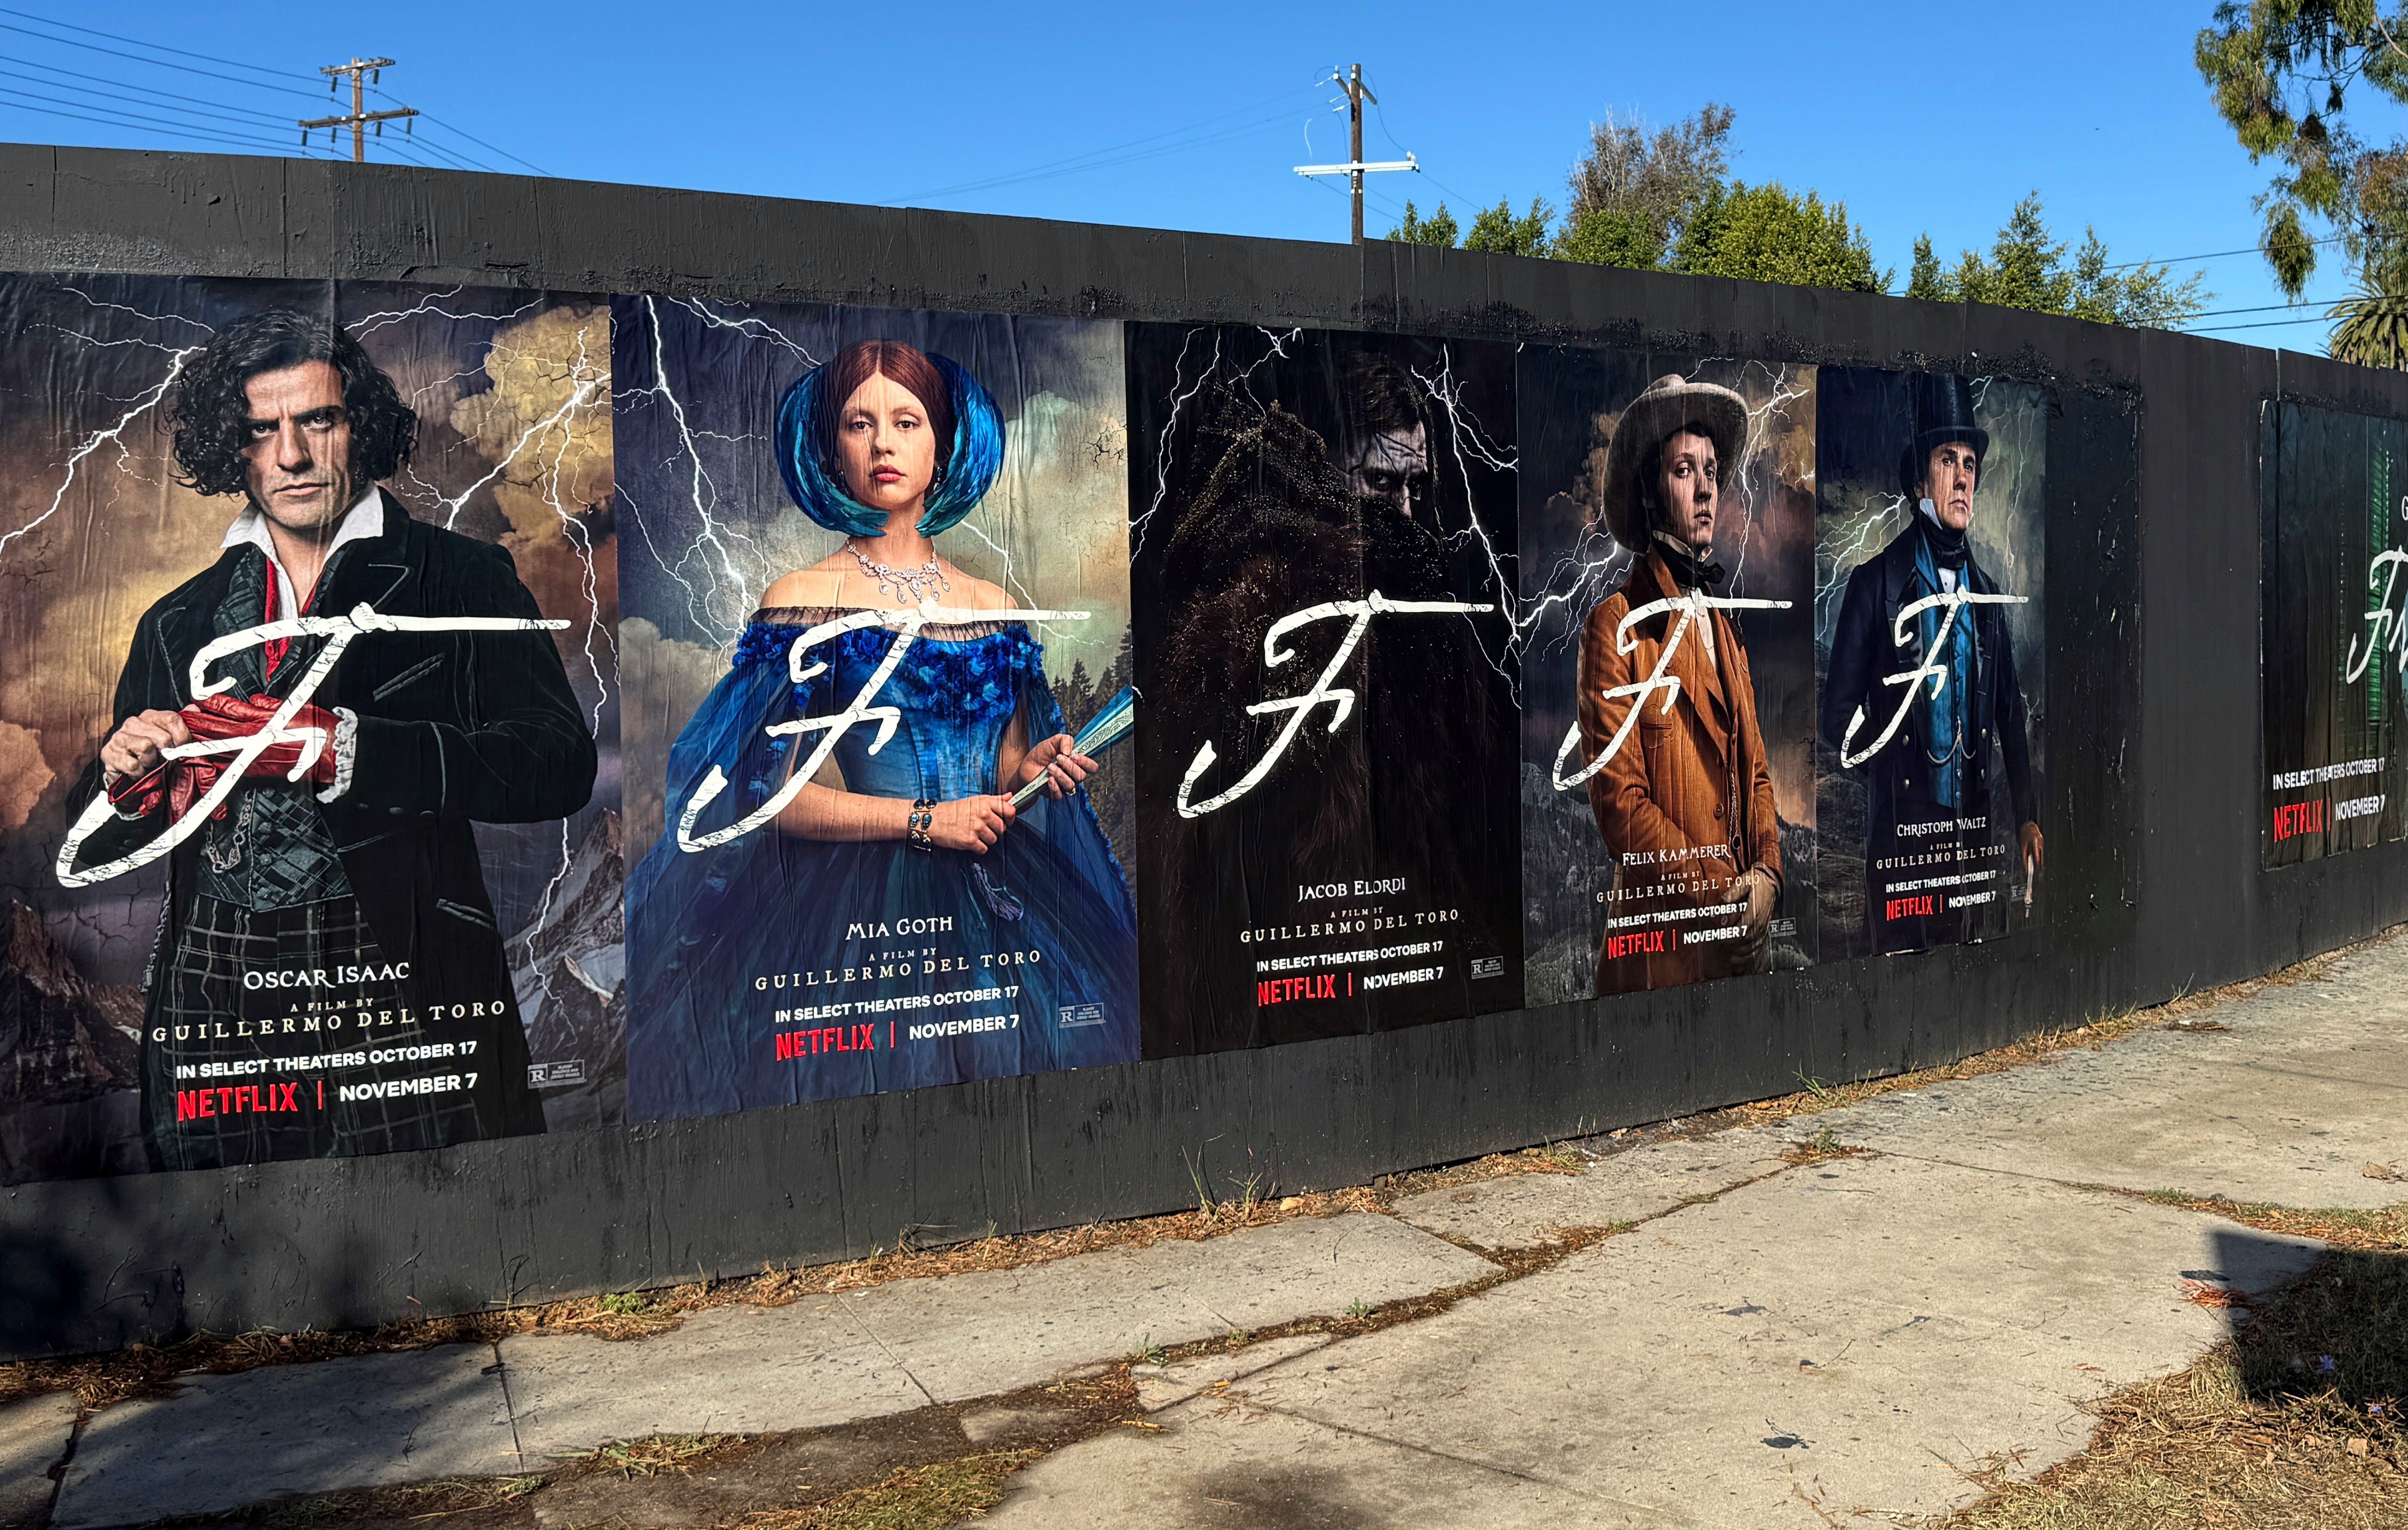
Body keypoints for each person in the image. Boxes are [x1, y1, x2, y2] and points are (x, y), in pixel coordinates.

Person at [77, 305, 592, 1169]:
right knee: (224, 1224)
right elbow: (99, 821)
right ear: (232, 446)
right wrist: (127, 782)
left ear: (361, 426)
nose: (291, 455)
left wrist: (344, 747)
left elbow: (560, 763)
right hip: (215, 986)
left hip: (401, 971)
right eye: (260, 429)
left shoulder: (460, 577)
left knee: (434, 1208)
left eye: (317, 419)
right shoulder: (178, 620)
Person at [626, 338, 1137, 1118]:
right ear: (832, 450)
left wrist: (1033, 767)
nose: (883, 445)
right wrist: (926, 820)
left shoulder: (994, 604)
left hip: (1005, 887)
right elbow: (770, 799)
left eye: (907, 422)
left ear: (943, 446)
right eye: (859, 424)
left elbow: (1004, 767)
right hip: (861, 902)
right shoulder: (804, 598)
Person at [1137, 340, 1519, 1050]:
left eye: (1416, 489)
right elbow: (1197, 858)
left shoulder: (1423, 605)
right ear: (1323, 468)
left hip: (1413, 975)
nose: (1403, 510)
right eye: (1379, 484)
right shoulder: (1260, 602)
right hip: (1294, 995)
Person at [1577, 373, 1781, 992]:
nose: (1705, 488)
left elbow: (1758, 775)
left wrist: (1768, 876)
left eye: (1711, 471)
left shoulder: (1728, 634)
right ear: (1650, 492)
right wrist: (1726, 895)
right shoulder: (1615, 626)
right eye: (1684, 470)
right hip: (1661, 963)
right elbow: (1622, 807)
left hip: (1738, 960)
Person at [1821, 373, 2039, 952]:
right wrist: (1892, 767)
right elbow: (1836, 714)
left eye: (1970, 463)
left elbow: (2010, 716)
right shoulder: (1875, 585)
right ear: (1920, 481)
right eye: (1948, 460)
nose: (1964, 476)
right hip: (1902, 842)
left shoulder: (1986, 596)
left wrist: (2027, 817)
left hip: (1970, 840)